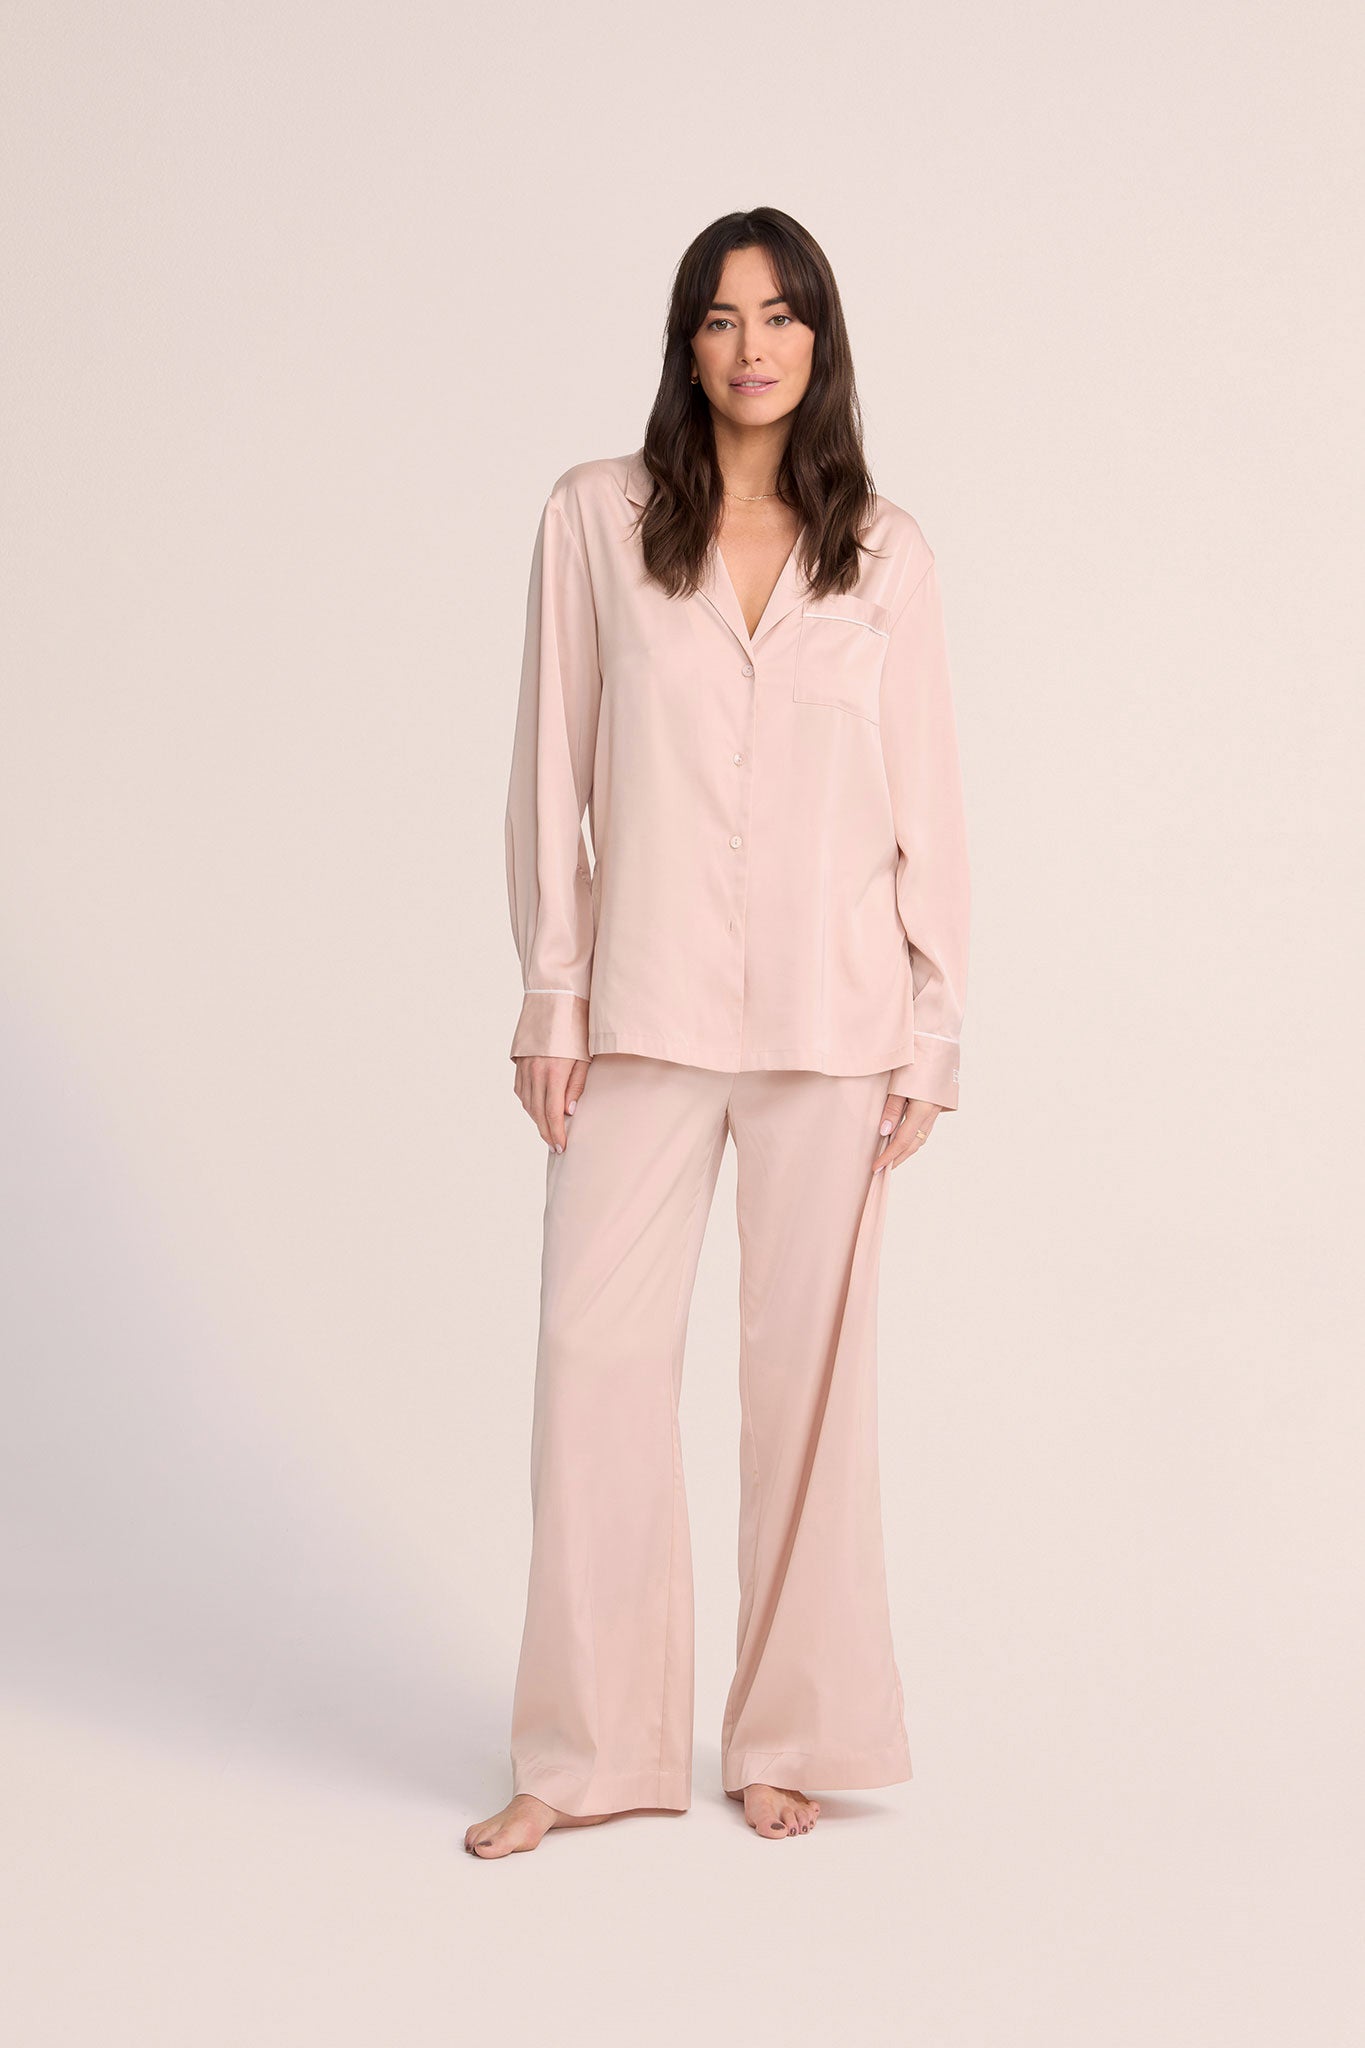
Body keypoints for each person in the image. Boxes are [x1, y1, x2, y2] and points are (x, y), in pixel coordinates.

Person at [466, 206, 971, 1857]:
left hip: (836, 1016)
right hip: (643, 1005)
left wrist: (931, 1027)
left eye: (780, 315)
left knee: (808, 1388)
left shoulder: (884, 554)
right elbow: (552, 768)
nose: (751, 346)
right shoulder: (595, 519)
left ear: (820, 342)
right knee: (591, 1361)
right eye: (719, 317)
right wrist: (551, 992)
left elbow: (927, 800)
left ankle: (790, 1731)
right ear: (684, 344)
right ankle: (587, 1748)